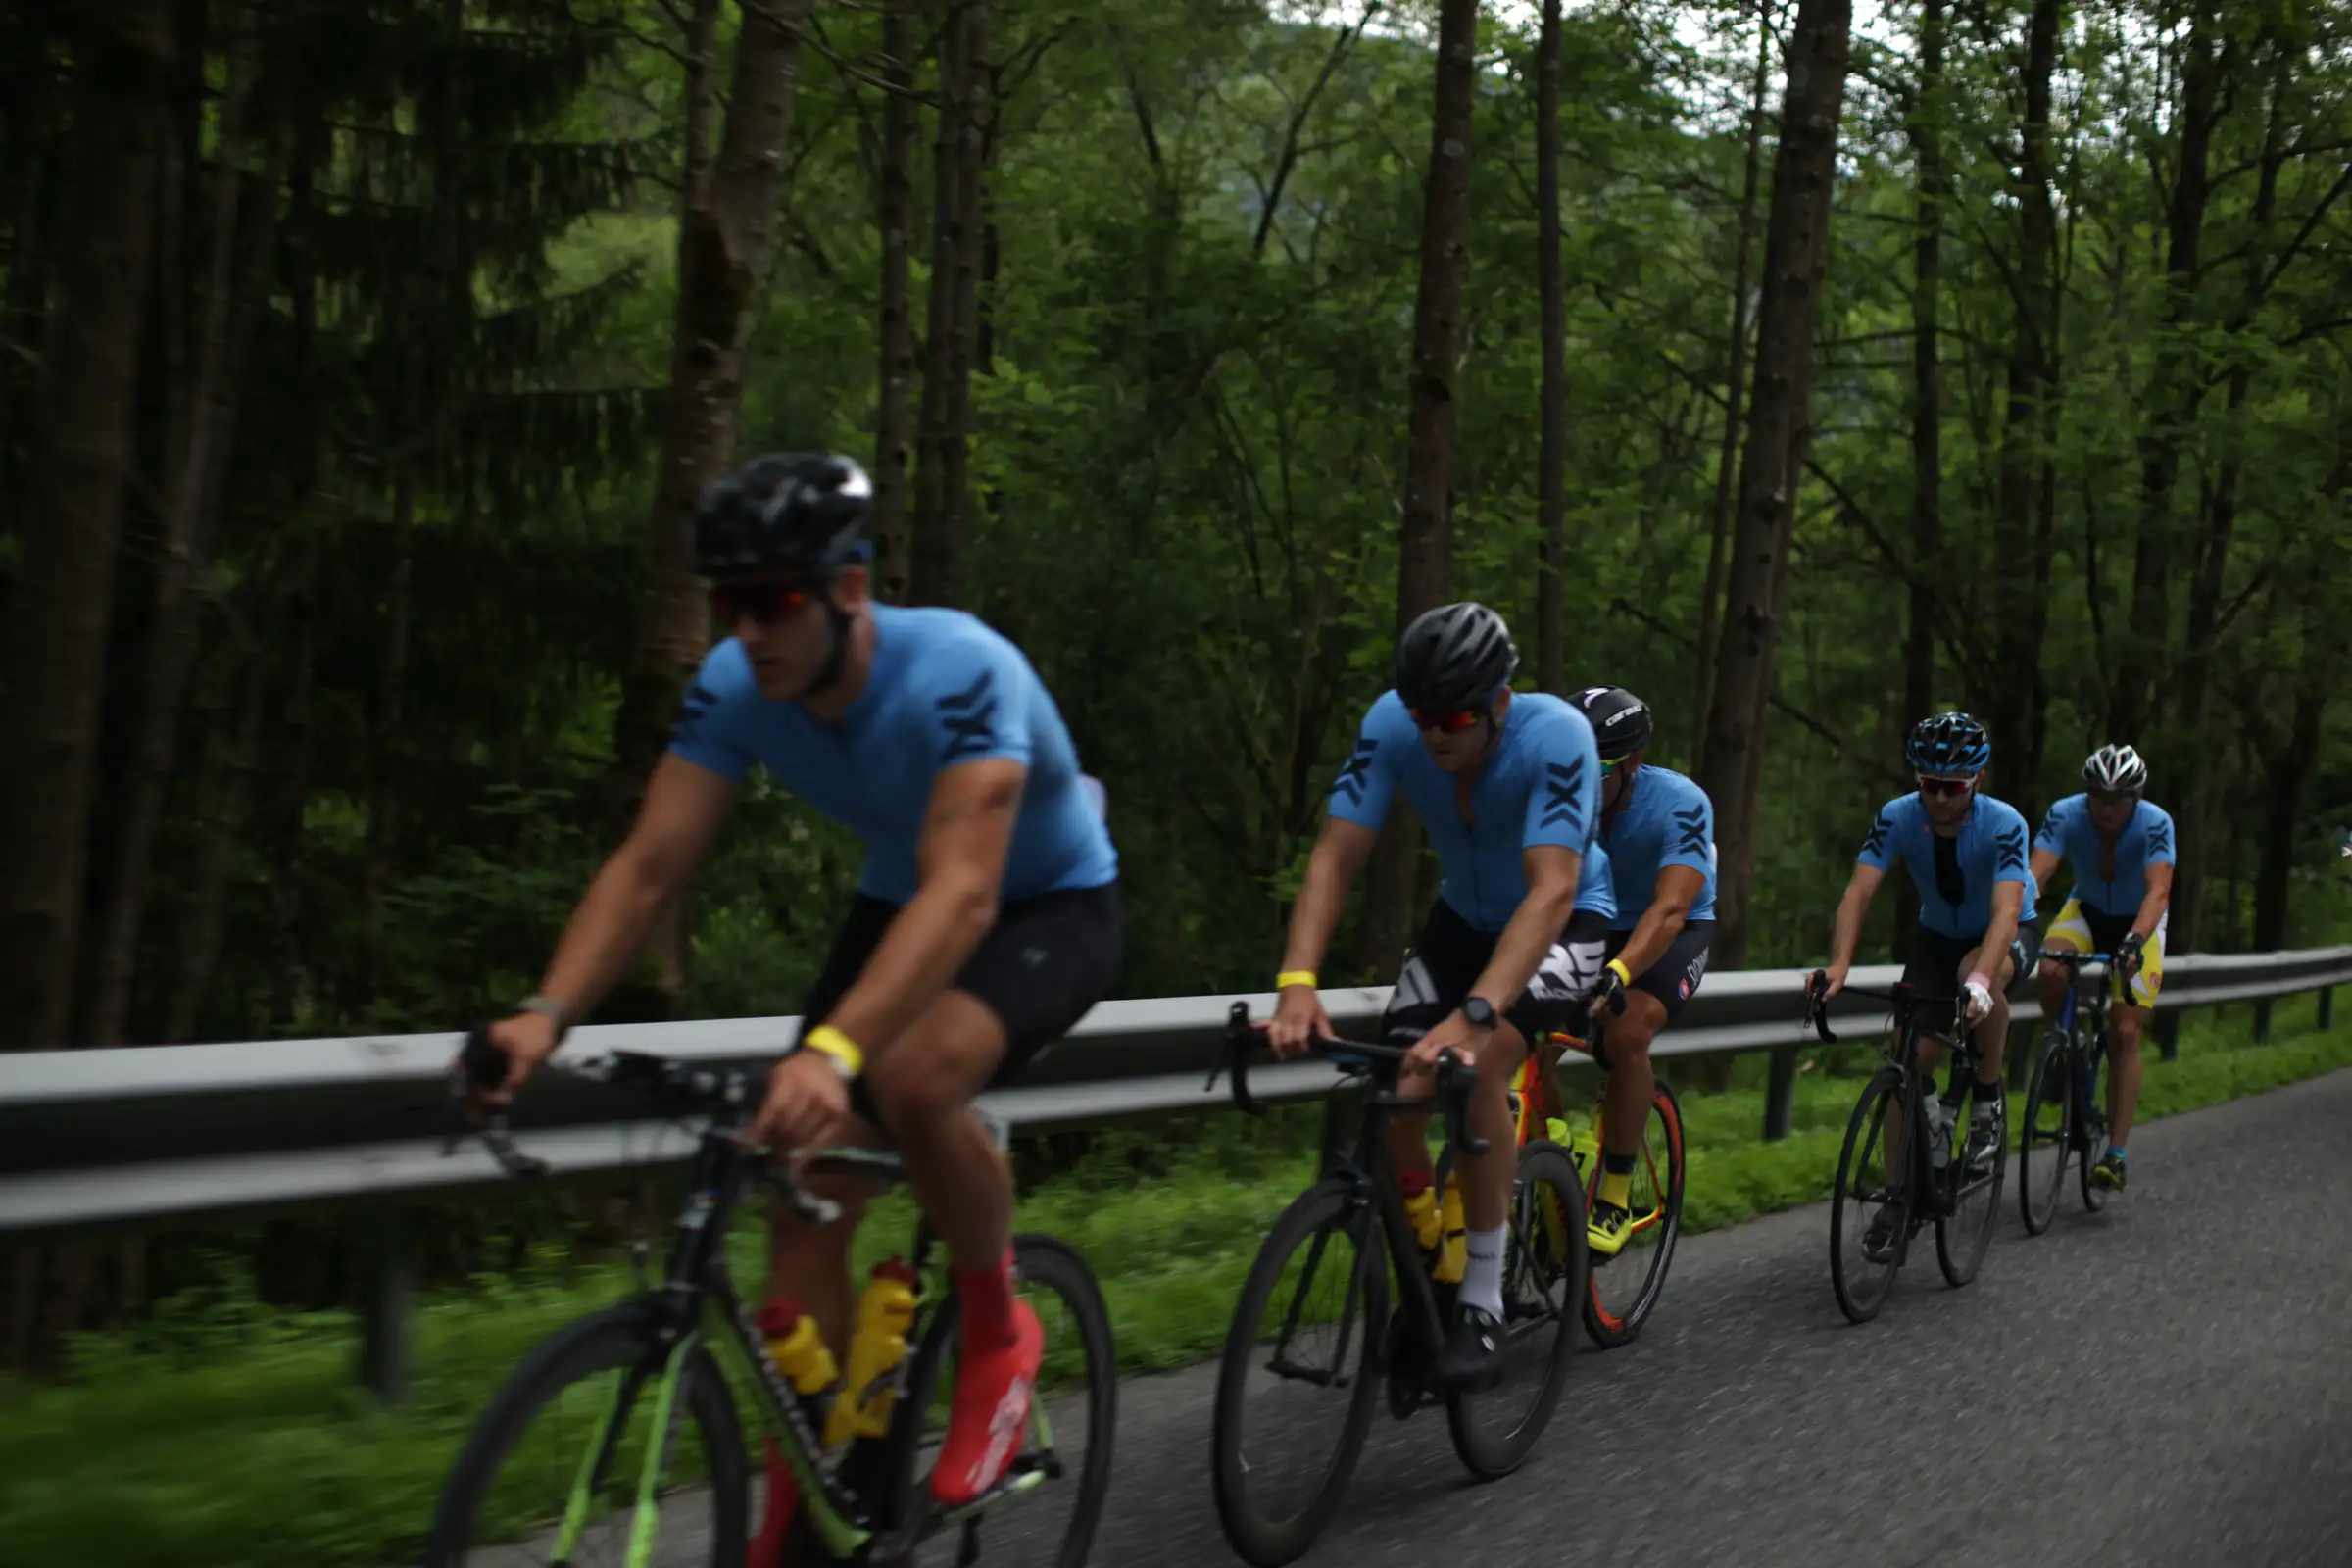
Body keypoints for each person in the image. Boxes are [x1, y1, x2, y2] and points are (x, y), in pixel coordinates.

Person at [460, 452, 1122, 1519]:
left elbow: (964, 897)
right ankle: (814, 1498)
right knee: (802, 1182)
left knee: (912, 1080)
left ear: (846, 590)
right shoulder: (734, 685)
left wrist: (835, 1051)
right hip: (900, 902)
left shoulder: (962, 669)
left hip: (1044, 905)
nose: (747, 630)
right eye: (728, 605)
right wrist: (544, 1015)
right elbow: (649, 866)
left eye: (770, 602)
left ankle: (1001, 1334)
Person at [1266, 602, 1600, 1389]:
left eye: (1453, 718)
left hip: (1562, 924)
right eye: (1422, 717)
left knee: (1477, 1070)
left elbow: (1551, 890)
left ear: (1499, 704)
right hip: (1462, 923)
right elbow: (1334, 858)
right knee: (1397, 1097)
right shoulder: (1392, 723)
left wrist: (1477, 1014)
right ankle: (1434, 1273)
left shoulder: (1557, 738)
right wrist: (1297, 983)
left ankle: (1481, 1300)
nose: (1434, 735)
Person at [1818, 711, 2038, 1260]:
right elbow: (1858, 893)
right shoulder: (1897, 816)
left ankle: (1986, 1098)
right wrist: (1839, 965)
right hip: (1937, 935)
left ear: (1977, 781)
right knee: (1906, 1062)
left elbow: (2006, 912)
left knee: (1973, 976)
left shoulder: (2005, 823)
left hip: (2004, 932)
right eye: (1929, 784)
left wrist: (1983, 980)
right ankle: (1898, 1198)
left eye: (1952, 787)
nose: (1939, 798)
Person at [1568, 686, 1716, 1258]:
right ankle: (1548, 1164)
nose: (1579, 783)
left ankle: (1615, 1190)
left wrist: (1620, 972)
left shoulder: (1680, 802)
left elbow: (1671, 909)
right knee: (1523, 1037)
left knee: (1626, 1032)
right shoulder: (1550, 794)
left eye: (1597, 770)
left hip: (1671, 926)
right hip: (1590, 919)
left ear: (1633, 761)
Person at [2031, 744, 2174, 1192]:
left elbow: (2158, 891)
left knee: (2125, 1032)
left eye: (2118, 799)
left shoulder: (2156, 823)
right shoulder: (2065, 813)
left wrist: (2134, 941)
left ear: (2137, 797)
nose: (2107, 809)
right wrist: (2012, 914)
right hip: (2087, 910)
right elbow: (2037, 873)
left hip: (2139, 922)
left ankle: (2116, 1153)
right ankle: (2064, 1045)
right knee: (2051, 970)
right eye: (2098, 797)